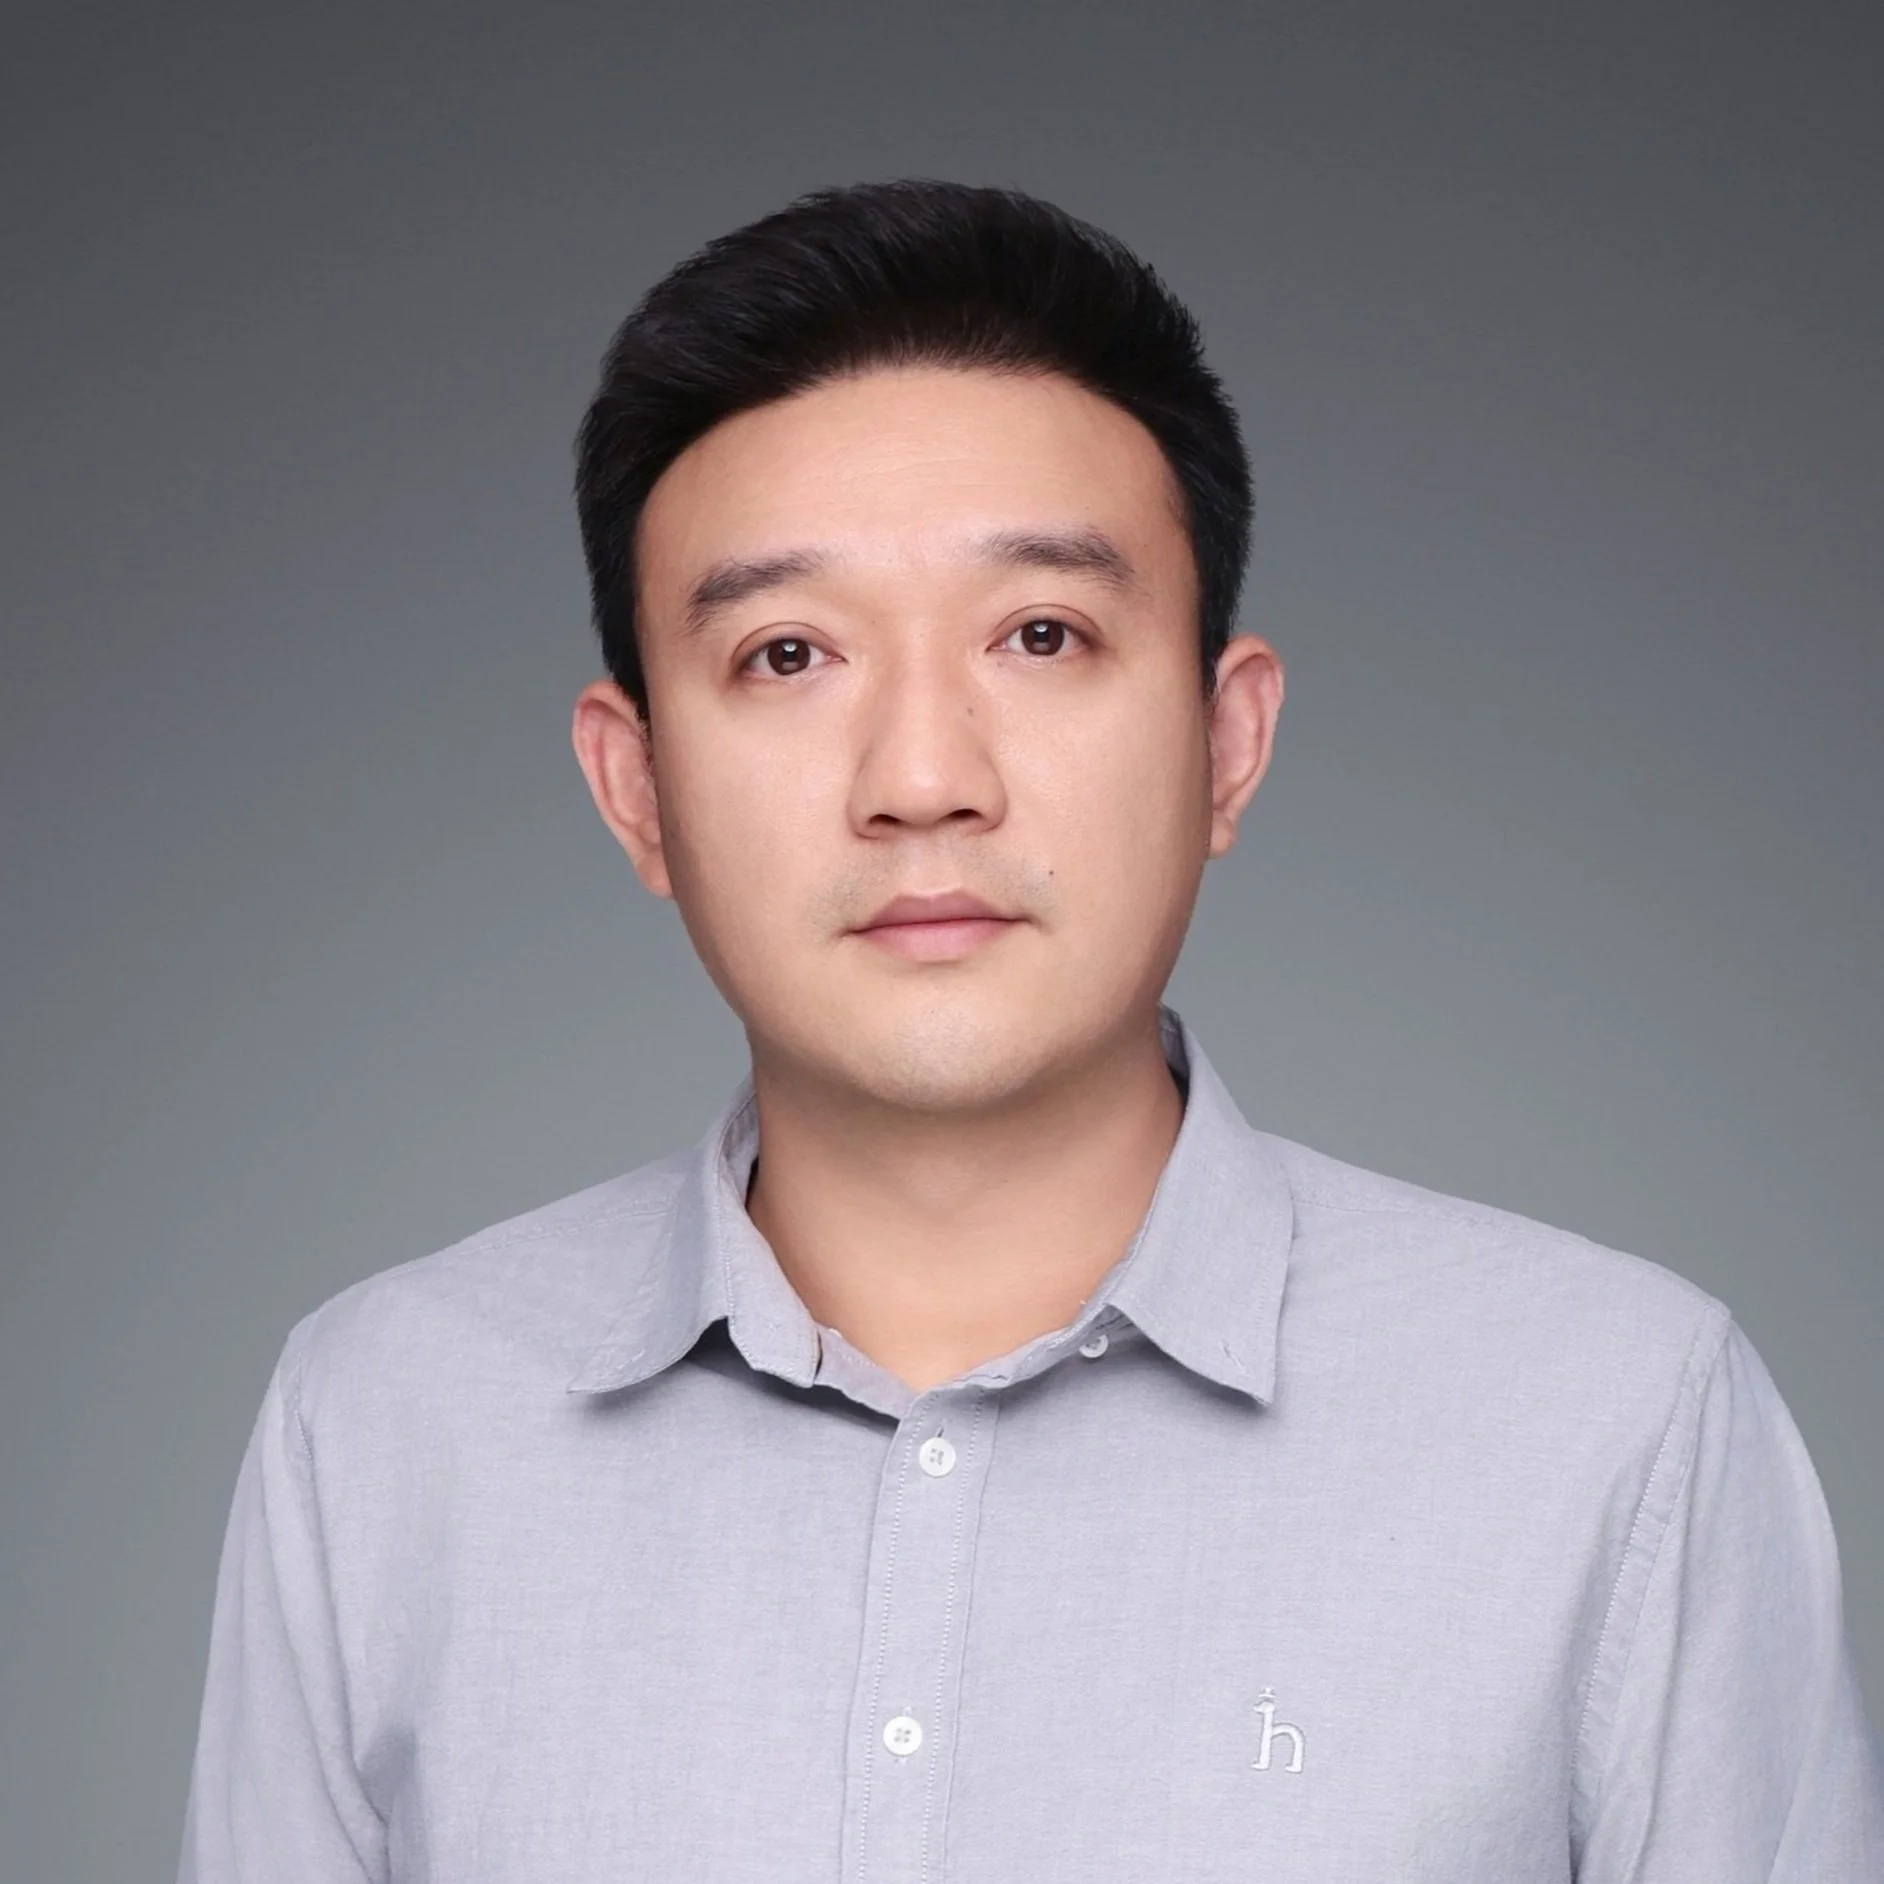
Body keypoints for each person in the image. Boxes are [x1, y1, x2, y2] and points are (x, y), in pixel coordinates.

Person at [176, 179, 1884, 1882]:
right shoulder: (387, 1426)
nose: (923, 778)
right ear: (636, 788)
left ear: (1227, 743)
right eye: (787, 654)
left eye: (1043, 633)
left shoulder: (1617, 1420)